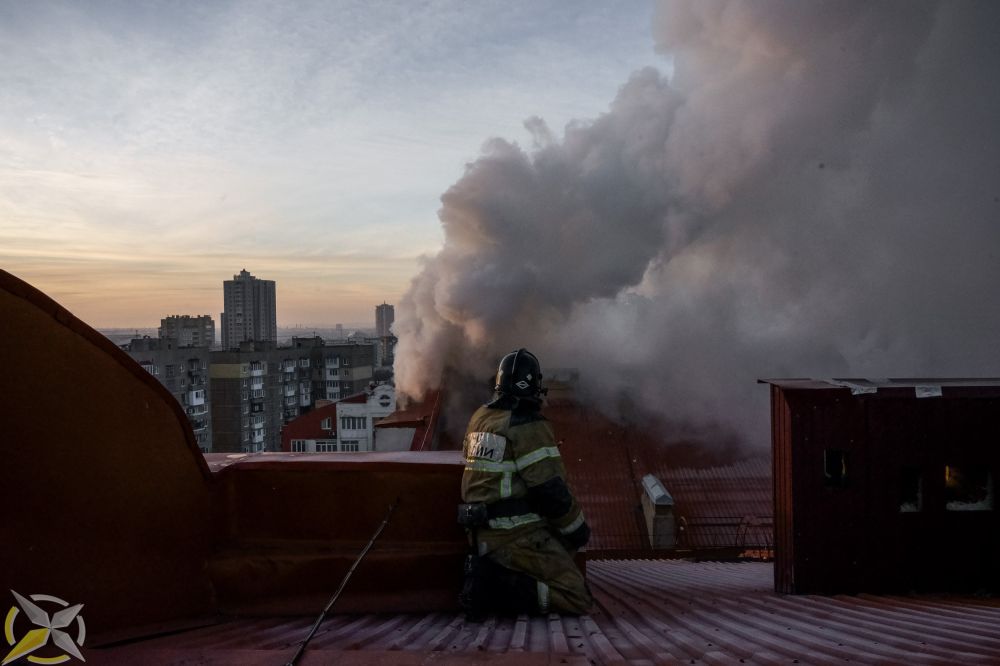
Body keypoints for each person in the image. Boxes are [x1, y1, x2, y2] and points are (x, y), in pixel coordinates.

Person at [458, 348, 592, 617]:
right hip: (515, 535)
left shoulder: (480, 419)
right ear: (534, 386)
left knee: (561, 549)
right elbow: (551, 491)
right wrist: (579, 531)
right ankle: (493, 587)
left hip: (481, 533)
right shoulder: (527, 425)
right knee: (576, 596)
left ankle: (494, 578)